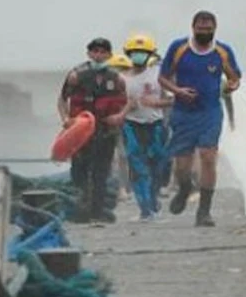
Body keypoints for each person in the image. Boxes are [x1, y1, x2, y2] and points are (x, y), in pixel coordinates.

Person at [159, 10, 242, 227]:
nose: (204, 31)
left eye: (208, 28)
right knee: (183, 164)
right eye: (200, 28)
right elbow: (162, 78)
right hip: (183, 112)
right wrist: (178, 91)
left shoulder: (223, 51)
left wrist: (232, 86)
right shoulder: (179, 48)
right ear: (192, 27)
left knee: (208, 156)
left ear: (214, 29)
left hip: (210, 112)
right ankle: (185, 188)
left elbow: (235, 77)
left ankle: (204, 211)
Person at [58, 37, 127, 223]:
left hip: (105, 131)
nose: (99, 55)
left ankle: (96, 213)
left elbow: (126, 103)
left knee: (101, 173)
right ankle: (81, 208)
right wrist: (66, 120)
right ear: (89, 53)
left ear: (109, 55)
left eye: (103, 52)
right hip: (80, 131)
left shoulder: (117, 78)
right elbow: (62, 100)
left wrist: (120, 117)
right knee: (79, 171)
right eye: (95, 51)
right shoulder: (76, 75)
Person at [120, 34, 171, 221]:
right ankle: (145, 209)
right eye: (135, 53)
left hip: (156, 126)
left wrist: (158, 103)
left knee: (158, 166)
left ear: (150, 54)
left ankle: (154, 198)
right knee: (137, 167)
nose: (138, 56)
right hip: (132, 126)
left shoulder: (159, 75)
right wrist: (124, 109)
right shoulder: (121, 79)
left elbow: (174, 98)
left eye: (143, 53)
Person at [107, 53, 134, 204]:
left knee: (127, 157)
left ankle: (127, 187)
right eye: (116, 69)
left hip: (131, 126)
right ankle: (119, 188)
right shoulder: (106, 87)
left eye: (123, 69)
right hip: (111, 127)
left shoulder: (133, 86)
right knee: (116, 158)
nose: (120, 73)